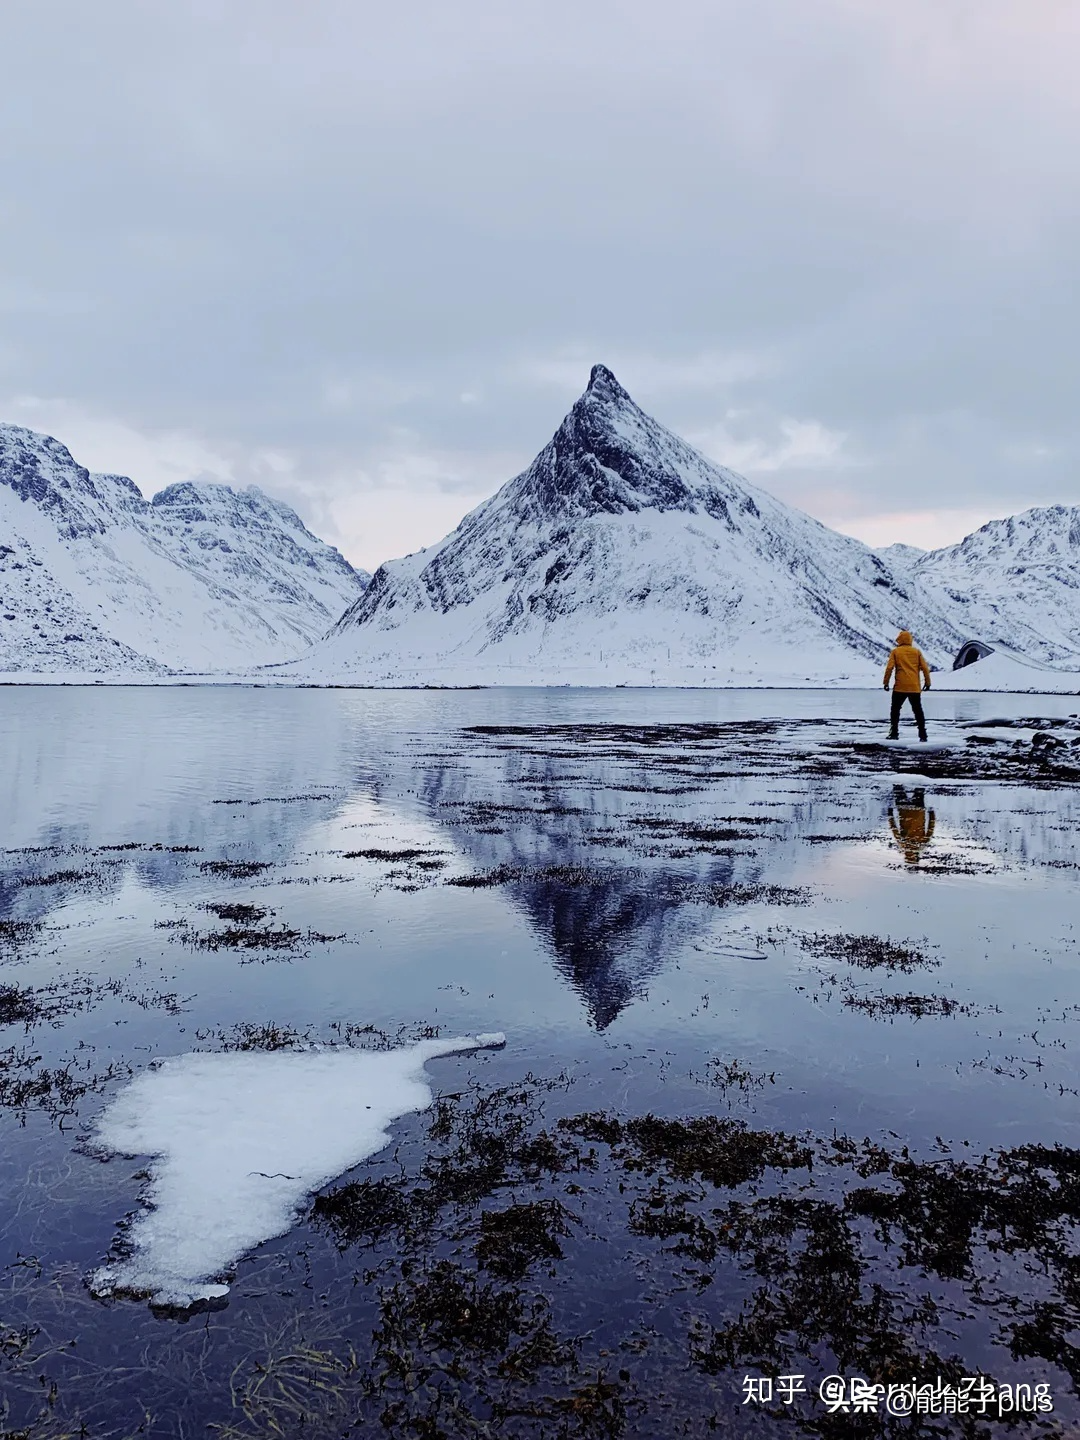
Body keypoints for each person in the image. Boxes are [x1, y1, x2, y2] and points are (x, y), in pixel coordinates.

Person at [883, 629, 931, 741]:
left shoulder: (896, 652)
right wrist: (927, 683)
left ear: (899, 640)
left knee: (895, 710)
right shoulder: (917, 652)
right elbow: (925, 668)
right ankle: (923, 735)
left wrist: (886, 682)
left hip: (900, 687)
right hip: (914, 687)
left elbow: (889, 668)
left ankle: (894, 733)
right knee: (918, 711)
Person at [888, 785, 935, 865]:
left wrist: (931, 815)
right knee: (897, 787)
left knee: (919, 786)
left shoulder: (921, 845)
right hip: (903, 809)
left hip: (918, 811)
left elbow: (930, 828)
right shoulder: (903, 845)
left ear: (916, 858)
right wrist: (890, 815)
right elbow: (894, 829)